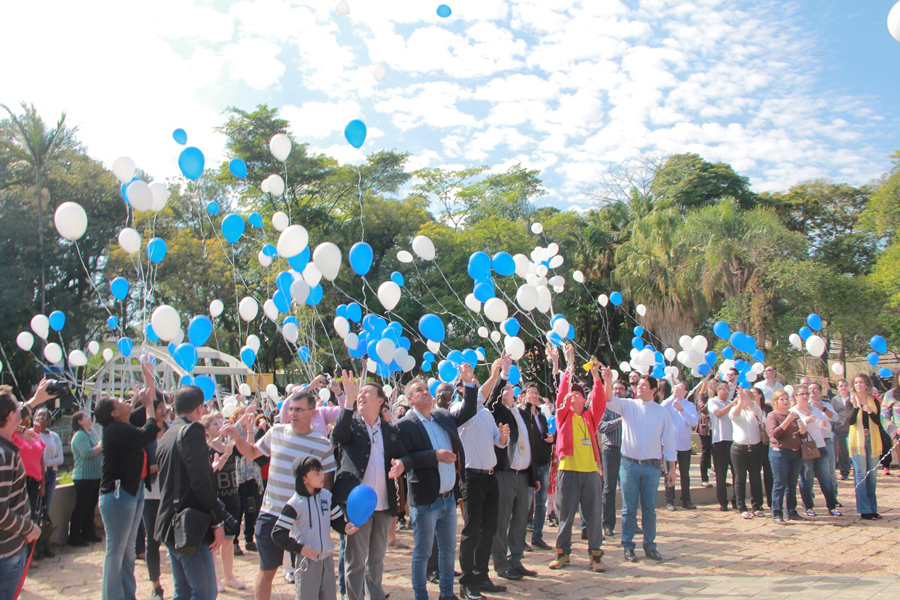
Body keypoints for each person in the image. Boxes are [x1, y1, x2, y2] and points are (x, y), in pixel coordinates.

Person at [222, 389, 336, 600]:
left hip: (305, 521)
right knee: (267, 572)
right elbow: (252, 453)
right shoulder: (276, 432)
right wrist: (238, 437)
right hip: (273, 515)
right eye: (291, 409)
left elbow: (327, 484)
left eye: (299, 410)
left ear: (313, 413)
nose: (293, 414)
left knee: (308, 575)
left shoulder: (323, 444)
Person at [393, 365, 478, 600]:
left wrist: (469, 383)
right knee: (422, 554)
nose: (426, 392)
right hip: (426, 501)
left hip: (448, 499)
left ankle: (447, 594)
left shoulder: (441, 416)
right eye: (419, 390)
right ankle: (421, 596)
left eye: (425, 388)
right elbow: (405, 459)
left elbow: (468, 411)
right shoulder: (404, 425)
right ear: (410, 400)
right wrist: (435, 456)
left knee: (448, 551)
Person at [331, 372, 407, 600]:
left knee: (376, 560)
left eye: (367, 392)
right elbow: (338, 435)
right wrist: (348, 401)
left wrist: (402, 464)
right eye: (359, 393)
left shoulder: (391, 431)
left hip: (384, 507)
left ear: (380, 400)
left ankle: (375, 595)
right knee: (355, 561)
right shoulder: (351, 426)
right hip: (356, 508)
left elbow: (403, 456)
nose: (362, 395)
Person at [155, 386, 228, 600]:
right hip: (189, 524)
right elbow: (200, 482)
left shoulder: (169, 432)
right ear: (199, 408)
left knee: (184, 591)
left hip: (170, 520)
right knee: (204, 592)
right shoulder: (192, 431)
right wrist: (218, 521)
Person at [96, 359, 160, 600]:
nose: (125, 402)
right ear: (114, 413)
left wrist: (149, 376)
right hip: (118, 495)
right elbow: (150, 430)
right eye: (119, 402)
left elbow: (149, 403)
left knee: (127, 552)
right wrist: (148, 405)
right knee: (116, 551)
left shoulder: (124, 424)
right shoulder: (115, 431)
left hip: (131, 492)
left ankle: (126, 594)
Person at [604, 369, 675, 563]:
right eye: (638, 385)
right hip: (629, 465)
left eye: (644, 385)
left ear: (654, 389)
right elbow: (609, 400)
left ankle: (650, 546)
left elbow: (669, 442)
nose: (639, 387)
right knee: (629, 509)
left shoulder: (661, 412)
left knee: (649, 509)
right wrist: (608, 381)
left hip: (652, 467)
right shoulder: (628, 406)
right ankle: (628, 546)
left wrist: (672, 469)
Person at [453, 361, 509, 599]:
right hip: (472, 478)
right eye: (470, 384)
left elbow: (498, 441)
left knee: (489, 530)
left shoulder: (485, 413)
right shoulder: (459, 410)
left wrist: (504, 438)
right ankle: (466, 582)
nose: (476, 386)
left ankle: (481, 575)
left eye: (476, 383)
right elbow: (477, 397)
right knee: (472, 530)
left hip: (490, 477)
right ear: (461, 390)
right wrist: (495, 374)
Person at [549, 346, 607, 573]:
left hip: (590, 472)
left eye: (578, 394)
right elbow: (561, 395)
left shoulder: (590, 417)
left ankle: (596, 555)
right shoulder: (563, 417)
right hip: (568, 470)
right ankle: (562, 554)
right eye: (571, 394)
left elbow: (600, 401)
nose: (573, 396)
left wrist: (596, 378)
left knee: (593, 516)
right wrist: (569, 365)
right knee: (566, 515)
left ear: (584, 400)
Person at [485, 355, 541, 582]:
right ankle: (500, 563)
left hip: (523, 475)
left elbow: (530, 445)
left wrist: (533, 476)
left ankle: (516, 560)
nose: (512, 388)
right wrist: (503, 374)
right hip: (505, 475)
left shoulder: (522, 412)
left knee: (519, 521)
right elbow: (492, 401)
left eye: (511, 386)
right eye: (508, 387)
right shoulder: (498, 411)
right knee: (501, 521)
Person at [272, 456, 358, 600]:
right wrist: (300, 548)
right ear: (304, 479)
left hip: (327, 559)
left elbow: (336, 520)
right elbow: (277, 534)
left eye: (321, 471)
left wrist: (345, 527)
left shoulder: (327, 497)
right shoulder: (294, 504)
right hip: (307, 561)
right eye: (316, 473)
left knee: (329, 596)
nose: (322, 476)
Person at [0, 386, 42, 600]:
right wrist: (29, 528)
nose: (21, 410)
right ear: (9, 416)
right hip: (7, 553)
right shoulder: (4, 456)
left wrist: (35, 400)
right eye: (18, 407)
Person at [202, 412, 246, 591]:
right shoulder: (205, 449)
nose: (219, 426)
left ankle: (229, 576)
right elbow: (209, 473)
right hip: (216, 499)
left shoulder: (229, 445)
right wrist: (226, 455)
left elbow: (248, 450)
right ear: (206, 431)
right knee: (214, 542)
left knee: (229, 541)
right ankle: (214, 578)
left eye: (220, 422)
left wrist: (248, 428)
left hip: (232, 496)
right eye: (214, 424)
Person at [791, 386, 840, 517]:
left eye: (806, 394)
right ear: (795, 396)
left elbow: (829, 429)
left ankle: (832, 505)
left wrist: (824, 425)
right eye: (801, 394)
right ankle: (808, 506)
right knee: (806, 479)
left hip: (820, 446)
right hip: (805, 449)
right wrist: (805, 423)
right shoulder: (793, 412)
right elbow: (792, 432)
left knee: (825, 478)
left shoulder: (817, 410)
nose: (805, 396)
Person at [848, 373, 886, 520]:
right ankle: (864, 509)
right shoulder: (851, 401)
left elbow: (879, 422)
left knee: (872, 475)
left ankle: (873, 508)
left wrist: (871, 413)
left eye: (862, 383)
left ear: (867, 385)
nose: (859, 385)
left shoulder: (874, 402)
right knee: (860, 475)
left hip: (872, 438)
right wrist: (856, 407)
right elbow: (850, 421)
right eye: (856, 383)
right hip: (858, 441)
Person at [522, 382, 554, 550]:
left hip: (543, 464)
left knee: (541, 503)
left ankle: (537, 536)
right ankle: (520, 539)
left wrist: (550, 439)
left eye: (536, 393)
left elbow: (544, 436)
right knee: (525, 504)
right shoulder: (521, 414)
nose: (534, 396)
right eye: (531, 392)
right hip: (528, 466)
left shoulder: (541, 416)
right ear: (525, 395)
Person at [12, 405, 46, 560]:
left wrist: (43, 484)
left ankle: (28, 556)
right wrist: (22, 429)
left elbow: (41, 460)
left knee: (31, 517)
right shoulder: (15, 435)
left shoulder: (35, 436)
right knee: (20, 518)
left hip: (34, 482)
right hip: (19, 481)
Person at [766, 390, 803, 524]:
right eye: (782, 399)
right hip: (780, 453)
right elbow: (775, 434)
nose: (785, 402)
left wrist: (802, 429)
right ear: (775, 402)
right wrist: (787, 420)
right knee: (779, 483)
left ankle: (792, 511)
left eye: (787, 399)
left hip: (795, 452)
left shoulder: (794, 415)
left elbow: (801, 435)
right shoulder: (772, 416)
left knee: (792, 484)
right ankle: (777, 513)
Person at [728, 388, 765, 519]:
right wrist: (739, 401)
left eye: (745, 397)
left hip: (755, 448)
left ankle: (757, 506)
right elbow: (733, 416)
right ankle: (741, 506)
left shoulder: (755, 411)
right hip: (739, 450)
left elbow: (756, 407)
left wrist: (746, 397)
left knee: (755, 478)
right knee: (740, 478)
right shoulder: (735, 410)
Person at [661, 382, 698, 511]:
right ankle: (669, 500)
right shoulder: (668, 403)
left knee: (684, 474)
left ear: (685, 392)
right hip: (670, 445)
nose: (677, 390)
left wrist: (681, 410)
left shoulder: (690, 406)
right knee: (669, 474)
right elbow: (661, 408)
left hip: (684, 446)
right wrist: (672, 397)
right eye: (676, 387)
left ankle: (686, 500)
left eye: (680, 388)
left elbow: (693, 422)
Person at [68, 410, 102, 547]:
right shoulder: (79, 435)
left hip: (94, 476)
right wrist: (100, 447)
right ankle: (75, 536)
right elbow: (87, 453)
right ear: (79, 421)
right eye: (86, 417)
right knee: (82, 507)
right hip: (84, 477)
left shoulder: (90, 433)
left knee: (90, 507)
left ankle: (89, 533)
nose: (90, 418)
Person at [598, 381, 624, 536]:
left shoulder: (628, 407)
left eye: (621, 389)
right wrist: (618, 421)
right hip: (611, 451)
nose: (618, 391)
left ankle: (631, 523)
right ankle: (608, 524)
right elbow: (601, 427)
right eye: (615, 389)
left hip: (628, 452)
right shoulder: (605, 407)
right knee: (609, 488)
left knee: (629, 488)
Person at [708, 381, 737, 511]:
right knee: (721, 473)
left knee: (737, 473)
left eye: (728, 388)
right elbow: (718, 414)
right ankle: (723, 502)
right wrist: (732, 404)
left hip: (734, 440)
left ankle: (737, 500)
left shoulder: (731, 402)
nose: (727, 391)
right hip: (719, 440)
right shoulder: (713, 401)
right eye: (724, 388)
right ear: (718, 389)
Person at [33, 408, 62, 535]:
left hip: (50, 473)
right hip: (37, 475)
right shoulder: (33, 435)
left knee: (46, 508)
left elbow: (60, 458)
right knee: (35, 509)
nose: (42, 418)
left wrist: (45, 462)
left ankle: (44, 541)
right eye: (39, 415)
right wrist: (43, 462)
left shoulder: (54, 436)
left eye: (45, 416)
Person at [830, 379, 853, 481]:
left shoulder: (853, 398)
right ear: (838, 388)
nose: (843, 388)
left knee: (852, 451)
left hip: (852, 428)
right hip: (840, 428)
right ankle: (844, 472)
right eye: (841, 386)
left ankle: (854, 469)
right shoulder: (834, 400)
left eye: (845, 385)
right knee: (842, 451)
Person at [694, 378, 714, 488]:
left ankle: (721, 478)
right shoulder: (702, 396)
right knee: (706, 452)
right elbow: (704, 410)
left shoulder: (720, 397)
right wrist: (710, 398)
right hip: (705, 429)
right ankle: (704, 478)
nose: (712, 386)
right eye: (710, 384)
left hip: (717, 428)